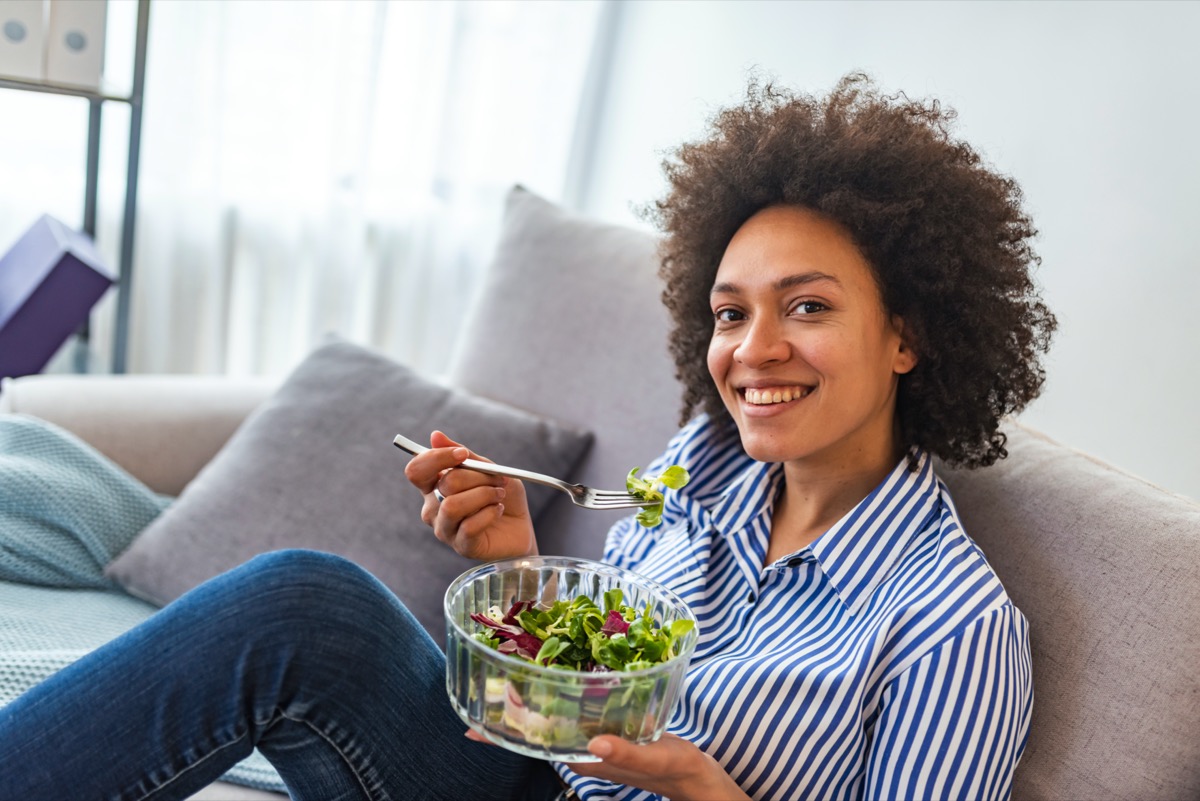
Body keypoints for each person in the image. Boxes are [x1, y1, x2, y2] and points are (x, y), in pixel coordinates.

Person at [0, 73, 1055, 801]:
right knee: (305, 604)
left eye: (809, 308)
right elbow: (583, 688)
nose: (754, 350)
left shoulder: (950, 627)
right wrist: (518, 572)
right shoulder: (703, 467)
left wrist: (699, 786)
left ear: (908, 334)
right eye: (731, 313)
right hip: (524, 780)